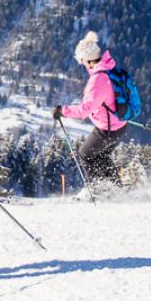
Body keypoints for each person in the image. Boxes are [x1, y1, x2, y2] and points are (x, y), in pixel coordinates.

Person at [53, 31, 127, 185]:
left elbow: (84, 110)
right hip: (120, 125)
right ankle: (117, 189)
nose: (82, 65)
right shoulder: (110, 68)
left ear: (88, 59)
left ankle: (97, 190)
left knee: (85, 154)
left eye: (82, 61)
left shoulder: (98, 79)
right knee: (101, 156)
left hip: (108, 129)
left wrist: (62, 111)